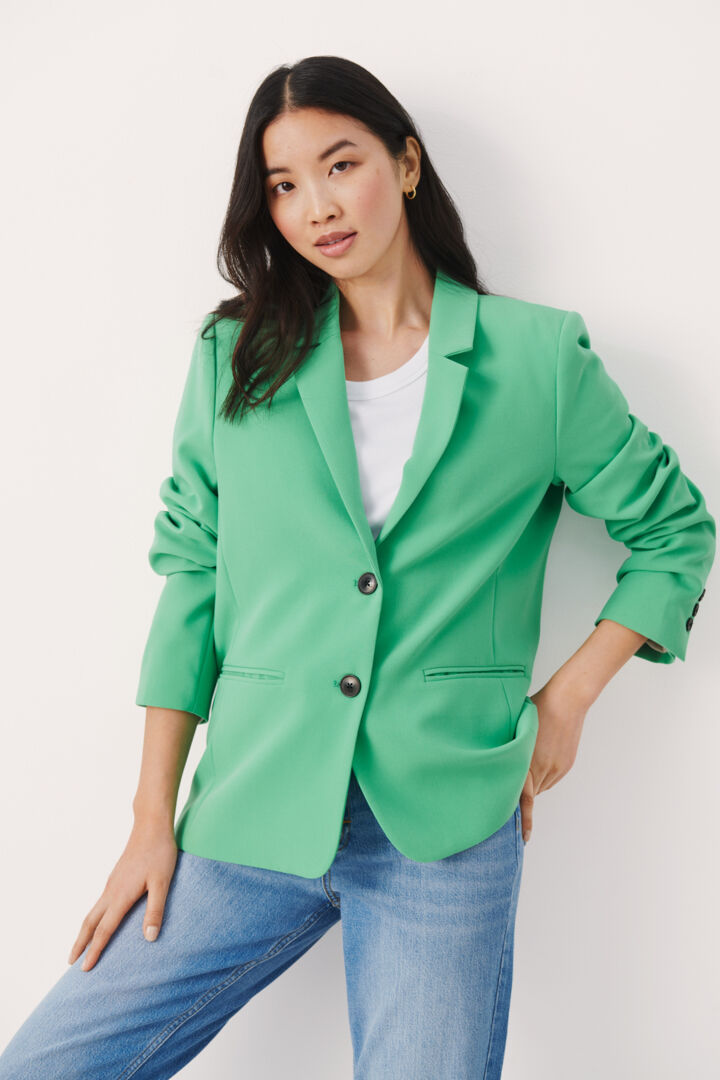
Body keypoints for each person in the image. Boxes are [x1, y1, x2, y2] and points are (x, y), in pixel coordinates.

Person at [0, 54, 715, 1080]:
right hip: (252, 804)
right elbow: (193, 572)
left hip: (444, 825)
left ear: (407, 164)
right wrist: (151, 820)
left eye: (341, 165)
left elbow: (675, 531)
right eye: (284, 185)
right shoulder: (235, 357)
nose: (317, 207)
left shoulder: (537, 360)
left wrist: (567, 700)